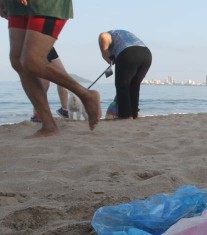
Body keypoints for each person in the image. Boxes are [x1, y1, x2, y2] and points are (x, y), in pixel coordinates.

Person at [1, 0, 100, 137]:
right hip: (15, 5)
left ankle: (86, 95)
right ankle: (49, 125)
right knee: (17, 61)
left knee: (32, 61)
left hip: (46, 5)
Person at [98, 30, 152, 119]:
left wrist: (105, 55)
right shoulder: (123, 34)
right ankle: (134, 114)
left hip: (128, 52)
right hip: (146, 55)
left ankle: (125, 116)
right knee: (134, 86)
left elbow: (103, 36)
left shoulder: (110, 34)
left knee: (122, 86)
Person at [30, 47, 70, 122]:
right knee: (44, 85)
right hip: (38, 45)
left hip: (48, 46)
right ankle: (37, 114)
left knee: (63, 77)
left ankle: (64, 110)